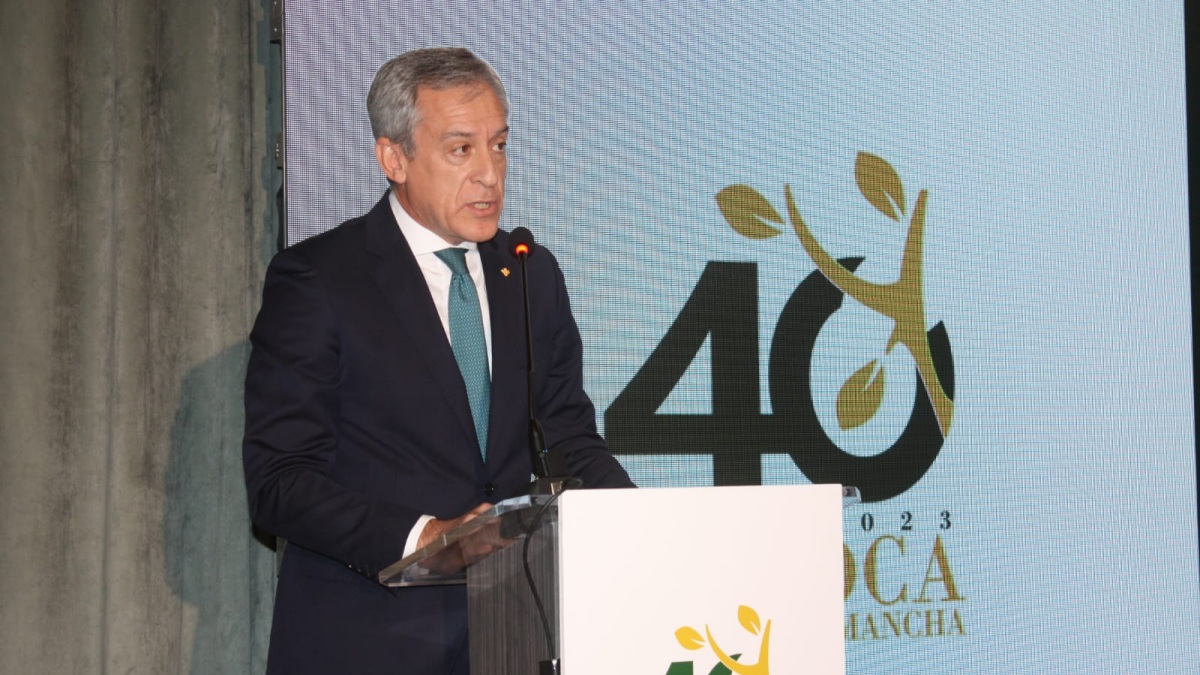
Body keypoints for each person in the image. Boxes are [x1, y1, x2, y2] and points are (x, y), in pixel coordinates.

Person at [242, 47, 634, 675]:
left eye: (499, 146)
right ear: (393, 158)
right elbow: (280, 482)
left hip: (516, 636)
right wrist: (426, 537)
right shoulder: (319, 279)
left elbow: (568, 439)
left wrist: (644, 530)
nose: (490, 175)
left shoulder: (530, 272)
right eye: (461, 150)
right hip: (369, 640)